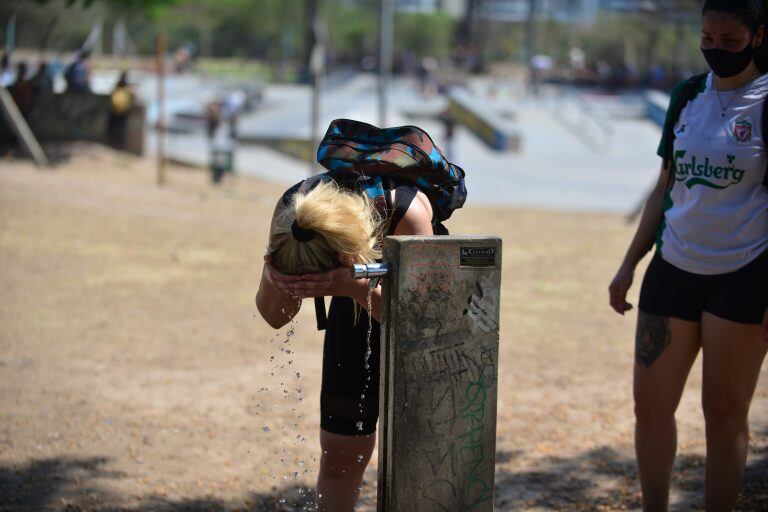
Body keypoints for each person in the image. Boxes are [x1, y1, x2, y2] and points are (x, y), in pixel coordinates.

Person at [609, 2, 768, 510]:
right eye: (707, 38)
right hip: (673, 269)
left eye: (729, 40)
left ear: (758, 37)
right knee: (650, 408)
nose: (715, 50)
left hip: (744, 274)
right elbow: (663, 187)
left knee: (723, 414)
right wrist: (629, 263)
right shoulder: (686, 97)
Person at [256, 178, 433, 511]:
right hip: (351, 304)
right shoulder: (290, 211)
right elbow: (275, 317)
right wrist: (276, 279)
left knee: (422, 455)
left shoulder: (407, 213)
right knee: (341, 455)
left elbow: (425, 324)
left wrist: (357, 286)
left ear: (346, 255)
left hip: (417, 305)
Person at [107, 71, 133, 149]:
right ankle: (119, 143)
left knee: (114, 126)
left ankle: (115, 142)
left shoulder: (118, 84)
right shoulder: (126, 86)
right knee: (121, 127)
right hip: (123, 110)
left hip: (115, 109)